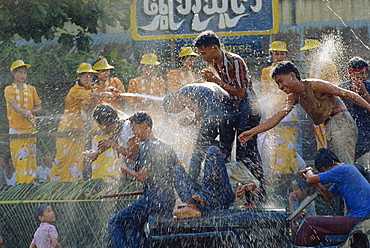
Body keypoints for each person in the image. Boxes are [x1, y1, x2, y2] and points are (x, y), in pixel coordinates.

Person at [238, 61, 370, 165]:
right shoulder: (293, 97)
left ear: (292, 76)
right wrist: (253, 132)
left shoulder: (315, 85)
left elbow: (349, 94)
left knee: (346, 168)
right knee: (339, 167)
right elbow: (276, 118)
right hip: (329, 127)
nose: (280, 87)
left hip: (341, 123)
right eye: (277, 84)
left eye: (280, 81)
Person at [194, 31, 265, 203]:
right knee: (225, 151)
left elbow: (242, 92)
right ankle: (232, 197)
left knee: (246, 153)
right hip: (234, 110)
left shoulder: (235, 61)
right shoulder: (216, 64)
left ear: (214, 48)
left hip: (248, 109)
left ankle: (257, 198)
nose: (202, 57)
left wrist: (216, 81)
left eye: (203, 53)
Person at [108, 112, 180, 248]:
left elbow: (142, 176)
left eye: (134, 128)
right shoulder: (165, 145)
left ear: (145, 125)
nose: (134, 133)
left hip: (154, 199)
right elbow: (179, 169)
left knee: (115, 222)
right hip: (169, 199)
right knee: (136, 227)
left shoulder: (146, 146)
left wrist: (125, 169)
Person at [294, 148, 370, 246]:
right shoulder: (341, 177)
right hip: (359, 219)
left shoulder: (343, 169)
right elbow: (328, 195)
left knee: (311, 222)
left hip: (360, 219)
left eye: (322, 171)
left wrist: (308, 169)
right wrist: (315, 184)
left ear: (324, 166)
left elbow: (310, 179)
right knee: (314, 226)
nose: (325, 174)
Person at [162, 82, 237, 182]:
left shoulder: (179, 94)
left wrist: (189, 122)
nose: (178, 111)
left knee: (198, 152)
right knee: (225, 153)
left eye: (174, 110)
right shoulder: (195, 88)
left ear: (172, 100)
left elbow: (198, 112)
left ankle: (191, 184)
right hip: (231, 114)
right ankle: (227, 184)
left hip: (213, 114)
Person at [50, 63, 112, 182]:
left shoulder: (85, 89)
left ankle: (74, 185)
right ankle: (57, 186)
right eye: (85, 76)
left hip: (79, 130)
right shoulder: (76, 90)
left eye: (90, 76)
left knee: (76, 159)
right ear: (79, 77)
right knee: (63, 159)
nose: (89, 79)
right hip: (67, 129)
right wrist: (103, 94)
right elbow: (92, 95)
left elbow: (89, 105)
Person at [172, 146, 260, 218]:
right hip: (204, 202)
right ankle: (191, 206)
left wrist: (244, 187)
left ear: (224, 155)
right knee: (177, 170)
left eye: (212, 155)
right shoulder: (203, 167)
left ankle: (204, 196)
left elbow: (256, 182)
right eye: (207, 155)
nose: (208, 156)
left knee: (212, 149)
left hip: (223, 197)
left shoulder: (233, 165)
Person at [259, 41, 304, 176]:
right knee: (276, 144)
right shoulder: (266, 71)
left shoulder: (291, 69)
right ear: (271, 55)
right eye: (276, 53)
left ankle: (292, 172)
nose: (279, 56)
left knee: (291, 143)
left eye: (282, 53)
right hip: (274, 112)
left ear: (286, 54)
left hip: (291, 110)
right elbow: (265, 92)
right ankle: (277, 173)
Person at [4, 60, 42, 183]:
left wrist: (32, 111)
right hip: (16, 129)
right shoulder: (9, 89)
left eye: (25, 73)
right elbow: (14, 106)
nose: (23, 75)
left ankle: (31, 184)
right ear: (13, 74)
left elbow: (39, 107)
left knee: (31, 158)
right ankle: (22, 185)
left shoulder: (31, 89)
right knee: (20, 158)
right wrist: (24, 112)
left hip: (31, 129)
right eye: (20, 72)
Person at [89, 58, 127, 181]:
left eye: (107, 70)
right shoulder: (91, 87)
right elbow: (87, 105)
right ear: (95, 73)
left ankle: (116, 179)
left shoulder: (115, 82)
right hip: (98, 126)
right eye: (102, 71)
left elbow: (126, 99)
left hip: (117, 123)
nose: (106, 73)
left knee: (116, 152)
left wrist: (118, 92)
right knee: (101, 153)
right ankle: (99, 181)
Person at [82, 104, 139, 172]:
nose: (99, 128)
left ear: (103, 124)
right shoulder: (117, 127)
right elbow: (108, 143)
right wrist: (96, 154)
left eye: (98, 125)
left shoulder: (127, 130)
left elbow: (135, 156)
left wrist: (113, 145)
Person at [339, 57, 370, 164]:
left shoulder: (369, 86)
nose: (364, 76)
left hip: (366, 130)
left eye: (366, 72)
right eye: (361, 73)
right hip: (348, 130)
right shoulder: (343, 88)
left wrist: (364, 93)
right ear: (351, 74)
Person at [127, 54, 166, 121]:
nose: (149, 70)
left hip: (157, 117)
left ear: (155, 68)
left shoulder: (160, 82)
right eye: (147, 67)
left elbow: (163, 102)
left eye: (152, 67)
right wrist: (141, 104)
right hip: (139, 118)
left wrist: (153, 100)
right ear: (142, 68)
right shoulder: (134, 82)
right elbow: (129, 105)